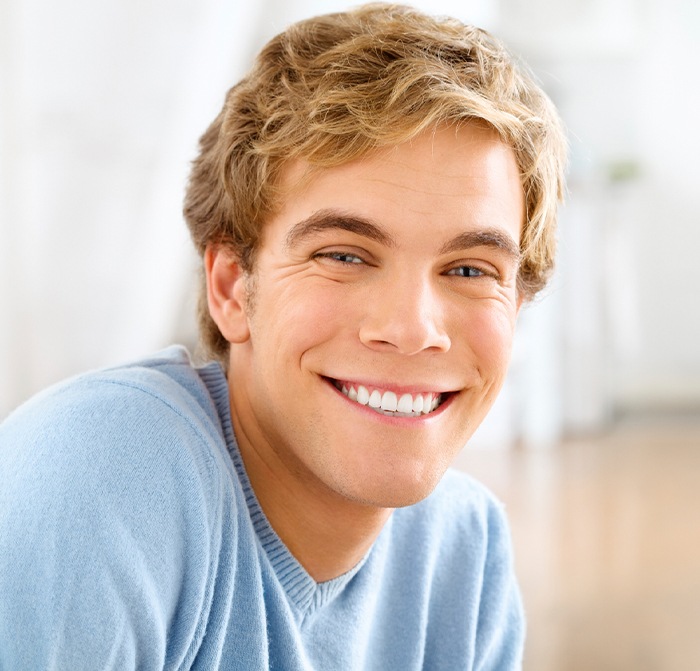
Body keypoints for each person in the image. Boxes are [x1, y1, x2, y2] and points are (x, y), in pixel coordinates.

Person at [0, 3, 566, 669]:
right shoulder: (97, 477)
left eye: (470, 269)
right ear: (232, 287)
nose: (413, 328)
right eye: (344, 255)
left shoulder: (463, 553)